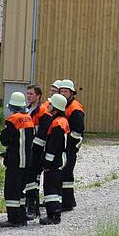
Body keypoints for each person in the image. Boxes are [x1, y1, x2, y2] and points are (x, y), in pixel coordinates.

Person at [0, 91, 34, 228]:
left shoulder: (12, 121)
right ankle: (22, 217)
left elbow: (4, 140)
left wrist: (3, 131)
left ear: (12, 107)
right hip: (27, 162)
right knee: (20, 190)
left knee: (11, 190)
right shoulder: (29, 119)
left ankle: (14, 219)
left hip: (15, 161)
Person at [39, 94, 71, 226]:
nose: (49, 106)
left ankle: (53, 216)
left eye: (51, 104)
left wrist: (47, 162)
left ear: (56, 107)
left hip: (54, 162)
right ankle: (55, 213)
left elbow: (53, 147)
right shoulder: (62, 121)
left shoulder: (57, 123)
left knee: (51, 188)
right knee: (56, 188)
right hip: (58, 161)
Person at [56, 79, 85, 211]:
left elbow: (78, 130)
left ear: (72, 93)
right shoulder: (64, 105)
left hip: (70, 147)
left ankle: (67, 203)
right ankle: (66, 200)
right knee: (63, 173)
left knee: (66, 174)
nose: (63, 93)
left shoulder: (75, 108)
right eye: (61, 91)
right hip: (64, 145)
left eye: (65, 91)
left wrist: (69, 145)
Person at [24, 85, 51, 220]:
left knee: (33, 180)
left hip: (36, 152)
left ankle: (33, 209)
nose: (28, 96)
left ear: (38, 95)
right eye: (27, 94)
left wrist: (34, 150)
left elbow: (42, 135)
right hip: (26, 151)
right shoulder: (27, 110)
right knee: (28, 180)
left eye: (31, 94)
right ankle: (29, 206)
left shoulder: (43, 112)